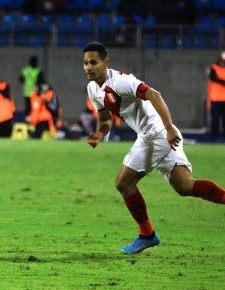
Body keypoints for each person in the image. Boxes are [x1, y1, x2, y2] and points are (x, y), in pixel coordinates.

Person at [83, 41, 225, 254]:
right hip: (157, 133)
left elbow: (154, 94)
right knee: (184, 186)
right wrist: (99, 134)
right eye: (85, 63)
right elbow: (105, 119)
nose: (88, 67)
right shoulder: (93, 88)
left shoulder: (122, 81)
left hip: (156, 132)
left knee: (123, 183)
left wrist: (168, 128)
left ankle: (147, 234)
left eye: (93, 62)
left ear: (105, 62)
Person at [19, 55, 46, 121]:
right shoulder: (38, 71)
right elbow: (42, 81)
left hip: (26, 92)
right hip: (34, 92)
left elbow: (21, 79)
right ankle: (34, 119)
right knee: (34, 106)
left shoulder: (25, 70)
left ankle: (27, 118)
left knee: (28, 106)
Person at [207, 50, 225, 141]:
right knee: (215, 120)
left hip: (224, 99)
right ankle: (214, 138)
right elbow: (213, 77)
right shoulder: (214, 67)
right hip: (215, 98)